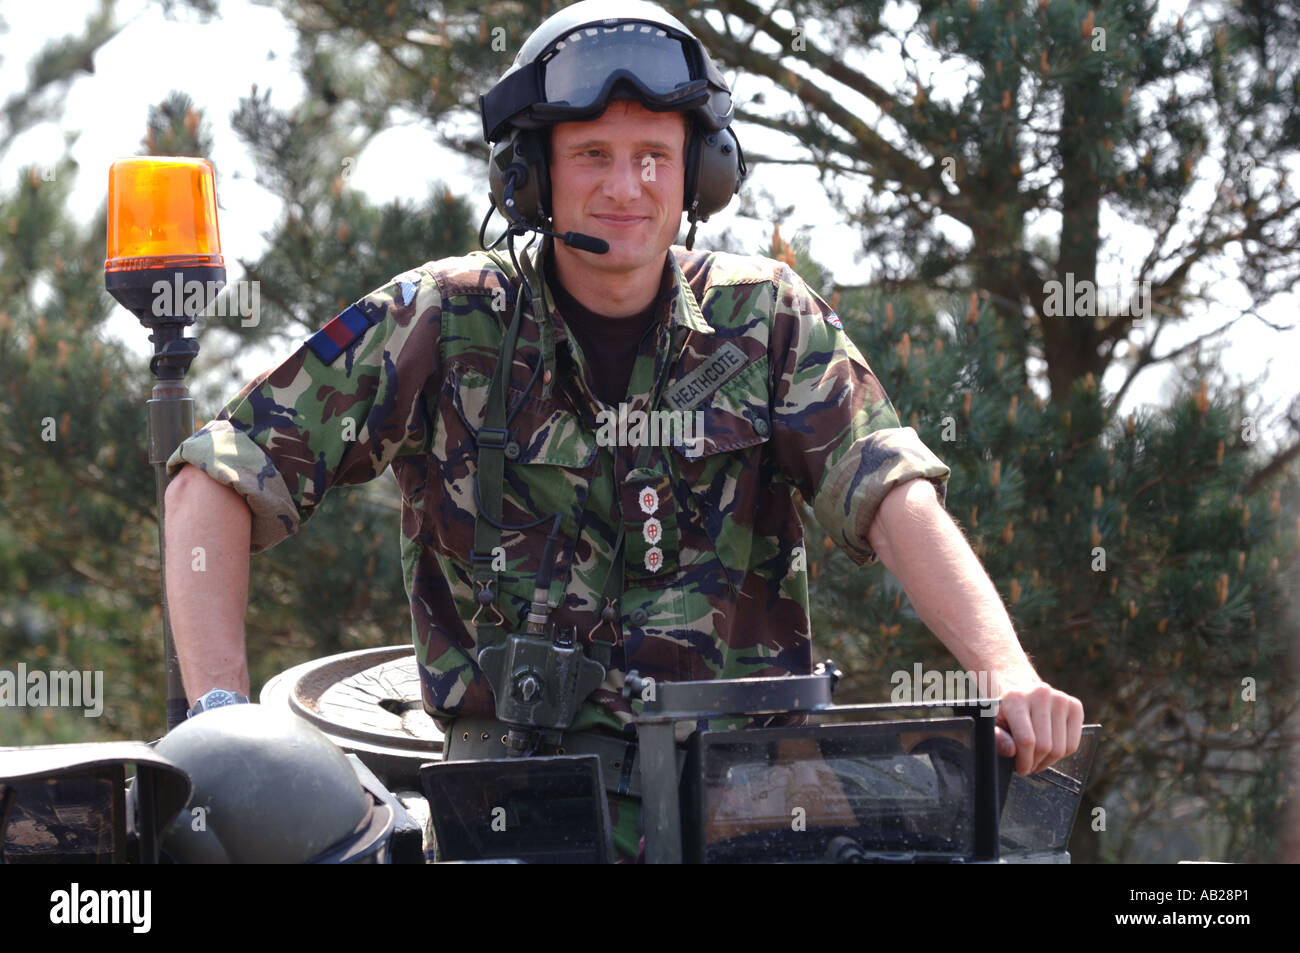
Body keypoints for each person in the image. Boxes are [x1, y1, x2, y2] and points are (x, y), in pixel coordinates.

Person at [164, 0, 1083, 858]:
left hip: (747, 802)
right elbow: (217, 474)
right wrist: (220, 718)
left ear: (701, 172)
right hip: (516, 807)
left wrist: (1002, 668)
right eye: (593, 155)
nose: (628, 186)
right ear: (530, 176)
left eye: (654, 154)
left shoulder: (765, 319)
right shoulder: (446, 318)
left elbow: (887, 489)